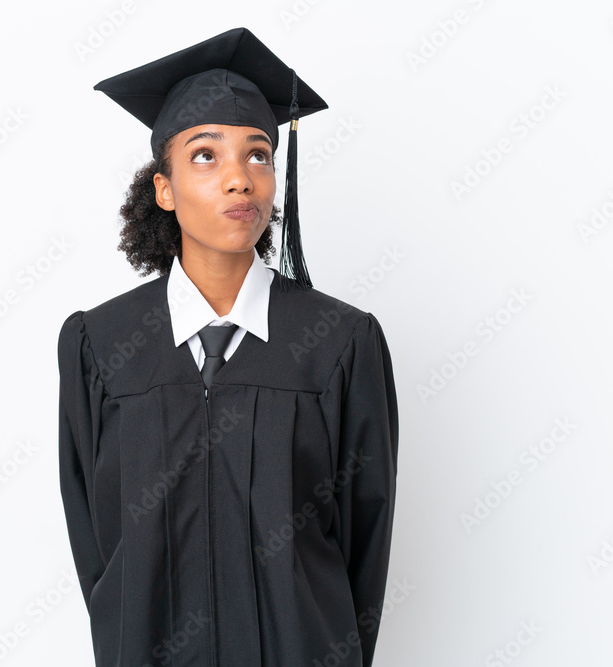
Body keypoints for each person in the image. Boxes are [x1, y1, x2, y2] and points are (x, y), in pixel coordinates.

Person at [58, 26, 399, 667]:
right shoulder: (101, 345)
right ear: (164, 188)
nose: (239, 180)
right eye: (206, 156)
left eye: (259, 155)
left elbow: (364, 538)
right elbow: (97, 541)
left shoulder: (339, 345)